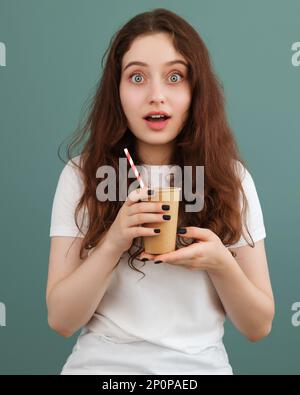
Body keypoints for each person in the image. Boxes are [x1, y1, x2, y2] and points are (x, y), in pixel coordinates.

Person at [47, 8, 275, 375]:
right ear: (116, 90)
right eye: (137, 77)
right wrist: (113, 243)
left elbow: (258, 326)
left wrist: (220, 263)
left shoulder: (231, 178)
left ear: (195, 89)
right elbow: (60, 319)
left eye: (174, 77)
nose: (156, 95)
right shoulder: (81, 175)